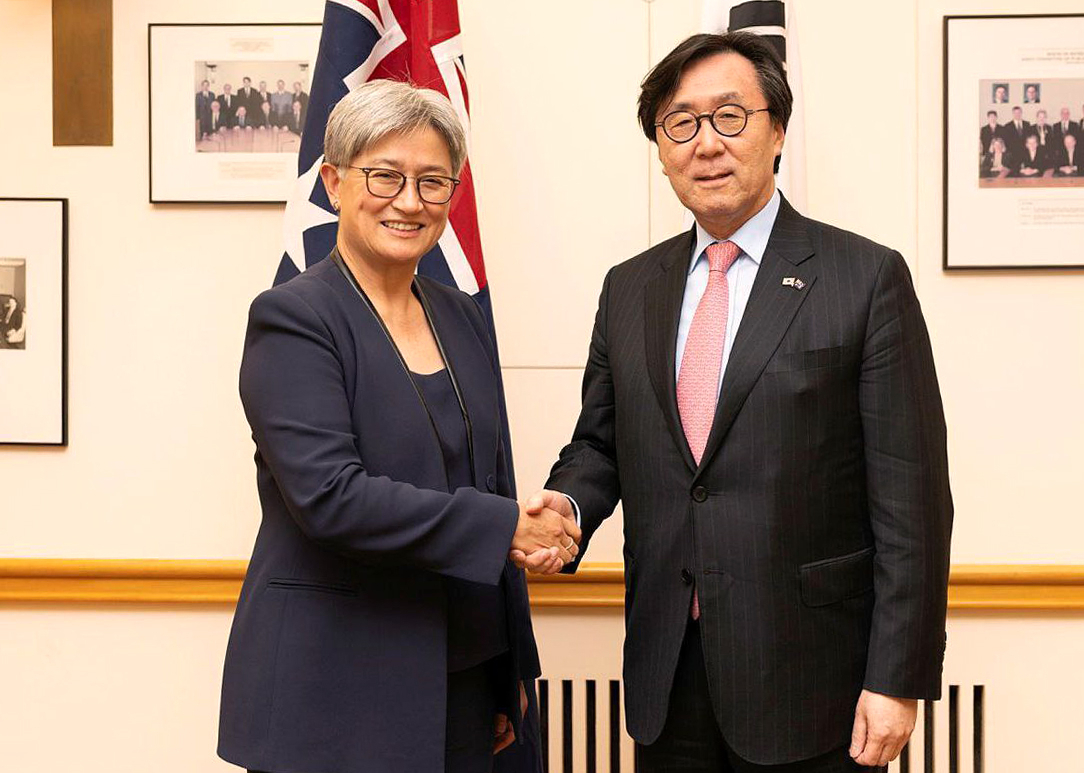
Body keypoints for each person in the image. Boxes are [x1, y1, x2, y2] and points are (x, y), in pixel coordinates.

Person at [516, 32, 953, 772]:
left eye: (729, 117)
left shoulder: (863, 278)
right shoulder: (629, 287)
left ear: (777, 129)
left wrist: (896, 677)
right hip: (666, 670)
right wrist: (568, 506)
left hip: (814, 683)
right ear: (660, 147)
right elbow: (599, 442)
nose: (705, 144)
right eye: (679, 124)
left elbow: (912, 500)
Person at [218, 79, 571, 773]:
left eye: (432, 182)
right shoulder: (294, 318)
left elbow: (491, 479)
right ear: (332, 181)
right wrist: (504, 527)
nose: (409, 201)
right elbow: (331, 497)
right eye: (384, 175)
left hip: (466, 679)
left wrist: (510, 672)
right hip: (338, 687)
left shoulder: (461, 315)